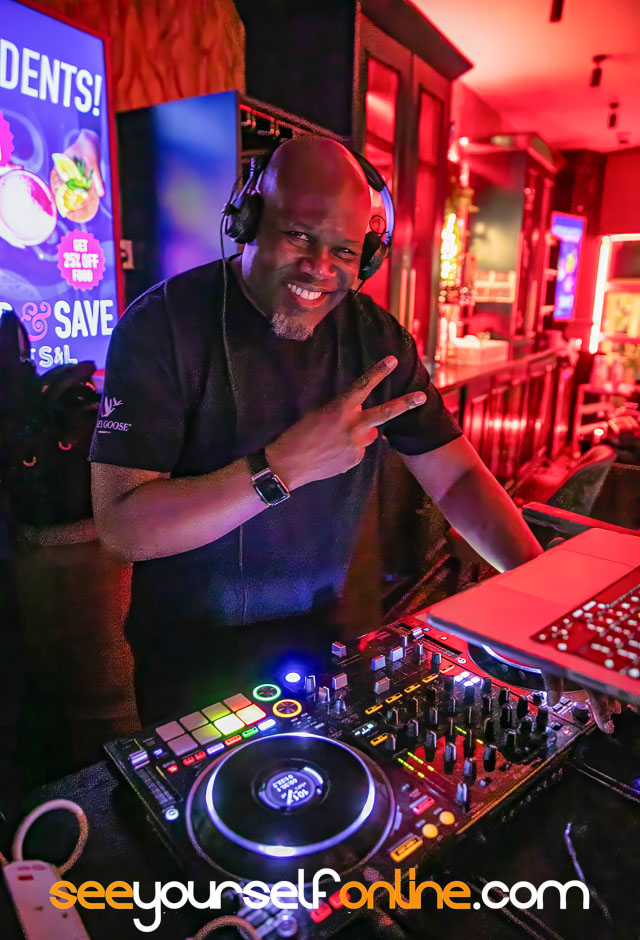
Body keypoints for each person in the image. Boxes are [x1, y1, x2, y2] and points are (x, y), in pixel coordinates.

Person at [89, 137, 614, 731]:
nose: (320, 268)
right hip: (190, 649)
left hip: (322, 633)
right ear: (248, 220)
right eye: (299, 235)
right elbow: (123, 528)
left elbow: (458, 477)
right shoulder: (162, 325)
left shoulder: (375, 337)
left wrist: (550, 614)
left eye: (344, 250)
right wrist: (280, 468)